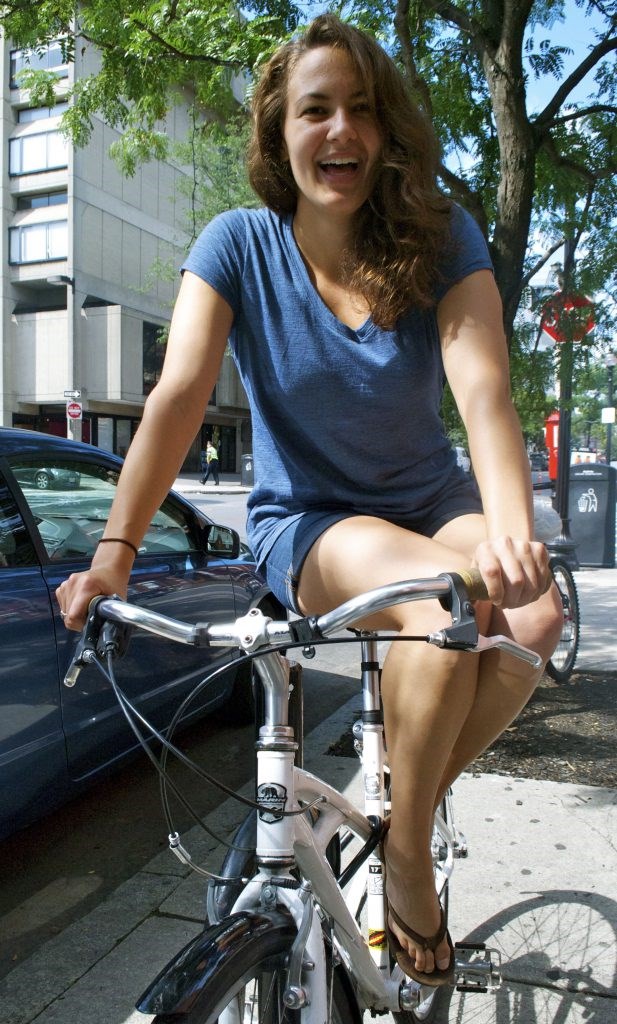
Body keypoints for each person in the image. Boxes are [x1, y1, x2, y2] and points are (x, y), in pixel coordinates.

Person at [56, 14, 562, 987]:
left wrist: (509, 529)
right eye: (314, 109)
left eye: (361, 111)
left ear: (385, 134)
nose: (340, 131)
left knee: (530, 610)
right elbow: (176, 396)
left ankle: (397, 821)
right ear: (276, 133)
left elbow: (483, 387)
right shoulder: (238, 245)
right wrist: (115, 552)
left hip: (428, 500)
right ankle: (404, 847)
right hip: (313, 523)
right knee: (437, 600)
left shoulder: (438, 233)